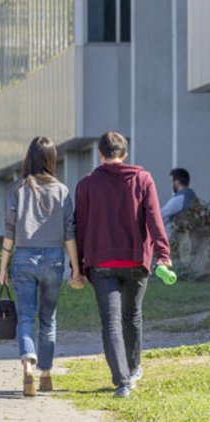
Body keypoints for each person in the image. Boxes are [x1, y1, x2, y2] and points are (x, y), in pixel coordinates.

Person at [74, 131, 171, 399]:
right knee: (133, 315)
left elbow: (80, 226)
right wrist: (163, 253)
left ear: (100, 154)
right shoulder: (143, 179)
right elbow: (154, 218)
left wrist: (78, 266)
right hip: (137, 261)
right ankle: (134, 367)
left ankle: (122, 381)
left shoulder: (87, 184)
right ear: (125, 154)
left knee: (111, 322)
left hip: (101, 263)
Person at [0, 137, 82, 397]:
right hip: (54, 259)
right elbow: (70, 233)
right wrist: (76, 269)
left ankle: (28, 363)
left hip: (23, 258)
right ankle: (45, 373)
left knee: (25, 316)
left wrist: (2, 268)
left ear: (29, 158)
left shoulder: (17, 189)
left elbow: (9, 231)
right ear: (51, 159)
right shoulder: (62, 191)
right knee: (48, 317)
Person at [161, 168, 197, 239]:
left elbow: (160, 214)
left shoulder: (180, 198)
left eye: (171, 182)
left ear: (177, 182)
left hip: (173, 239)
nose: (171, 185)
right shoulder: (192, 197)